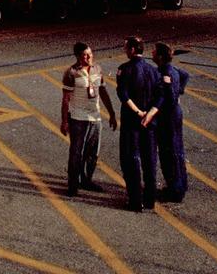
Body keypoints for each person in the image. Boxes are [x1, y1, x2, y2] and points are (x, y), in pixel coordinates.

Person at [60, 41, 117, 197]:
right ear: (78, 56)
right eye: (85, 55)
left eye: (90, 54)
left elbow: (103, 91)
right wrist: (64, 121)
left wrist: (111, 113)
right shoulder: (71, 73)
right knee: (76, 152)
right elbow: (65, 100)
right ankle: (73, 184)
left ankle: (86, 179)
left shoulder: (97, 69)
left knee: (93, 152)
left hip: (95, 117)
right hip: (78, 117)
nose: (89, 57)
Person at [114, 36, 161, 211]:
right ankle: (150, 200)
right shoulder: (153, 70)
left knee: (131, 159)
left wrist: (138, 112)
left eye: (126, 48)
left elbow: (123, 95)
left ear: (133, 50)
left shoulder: (124, 69)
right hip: (149, 122)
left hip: (131, 123)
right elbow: (160, 96)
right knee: (149, 160)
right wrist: (149, 114)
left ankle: (135, 200)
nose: (125, 50)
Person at [152, 42, 190, 202]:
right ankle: (181, 184)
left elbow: (171, 99)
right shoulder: (172, 69)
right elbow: (186, 75)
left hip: (168, 116)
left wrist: (172, 90)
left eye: (154, 52)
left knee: (169, 152)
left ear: (160, 56)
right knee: (177, 150)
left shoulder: (163, 73)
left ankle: (174, 189)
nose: (152, 54)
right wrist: (180, 88)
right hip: (176, 115)